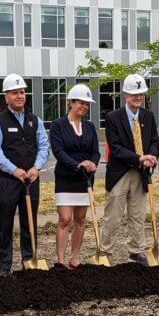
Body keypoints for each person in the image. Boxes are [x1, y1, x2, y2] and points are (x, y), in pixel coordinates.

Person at [0, 73, 50, 276]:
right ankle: (5, 267)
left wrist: (36, 167)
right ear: (6, 97)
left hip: (31, 180)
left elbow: (43, 146)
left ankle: (29, 260)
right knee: (4, 224)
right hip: (8, 181)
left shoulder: (35, 120)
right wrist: (14, 170)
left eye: (22, 92)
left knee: (29, 220)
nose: (20, 96)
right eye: (15, 93)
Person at [100, 74, 159, 266]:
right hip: (120, 173)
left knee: (138, 215)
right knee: (113, 216)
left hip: (141, 173)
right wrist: (138, 158)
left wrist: (152, 156)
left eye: (141, 94)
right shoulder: (113, 118)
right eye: (134, 94)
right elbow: (115, 147)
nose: (138, 98)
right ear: (125, 95)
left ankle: (136, 251)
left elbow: (154, 142)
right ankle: (105, 252)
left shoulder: (148, 116)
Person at [49, 84, 100, 269]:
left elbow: (95, 150)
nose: (84, 106)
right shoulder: (57, 125)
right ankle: (60, 260)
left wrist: (92, 163)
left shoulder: (90, 126)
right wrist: (76, 164)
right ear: (71, 103)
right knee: (64, 218)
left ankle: (74, 257)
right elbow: (58, 151)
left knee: (80, 219)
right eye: (81, 102)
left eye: (87, 104)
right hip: (66, 177)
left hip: (84, 179)